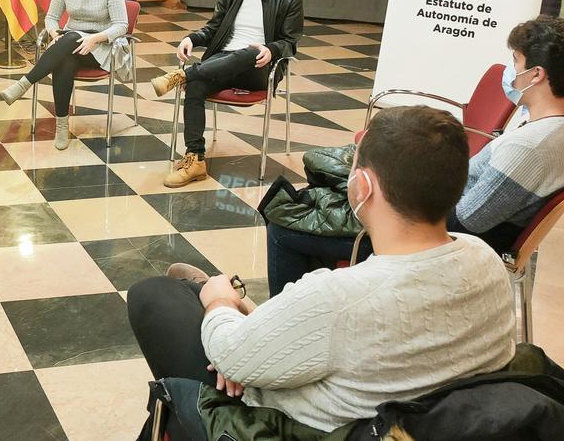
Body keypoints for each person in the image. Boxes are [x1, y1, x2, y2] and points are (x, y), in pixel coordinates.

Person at [126, 106, 516, 438]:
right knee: (228, 320)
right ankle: (249, 317)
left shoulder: (340, 296)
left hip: (300, 424)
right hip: (414, 419)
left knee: (155, 295)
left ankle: (226, 303)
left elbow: (229, 356)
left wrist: (219, 301)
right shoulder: (485, 260)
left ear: (362, 186)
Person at [266, 15, 564, 294]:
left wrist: (398, 193)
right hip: (431, 216)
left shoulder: (531, 147)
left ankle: (284, 338)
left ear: (536, 74)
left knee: (283, 225)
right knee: (318, 194)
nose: (510, 70)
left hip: (428, 240)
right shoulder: (548, 130)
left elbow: (465, 223)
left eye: (516, 61)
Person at [152, 0, 303, 188]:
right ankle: (196, 159)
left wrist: (272, 49)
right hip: (222, 61)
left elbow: (290, 42)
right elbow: (213, 29)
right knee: (197, 87)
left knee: (250, 50)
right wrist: (192, 38)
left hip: (258, 67)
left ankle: (184, 74)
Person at [0, 0, 128, 149]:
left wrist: (95, 38)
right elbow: (51, 17)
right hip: (69, 44)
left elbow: (122, 25)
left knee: (69, 39)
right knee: (65, 58)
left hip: (101, 46)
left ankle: (25, 83)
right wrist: (53, 33)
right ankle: (61, 125)